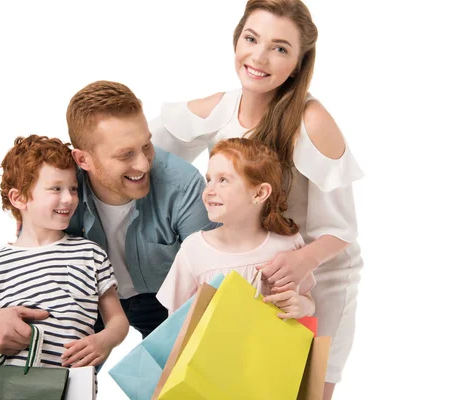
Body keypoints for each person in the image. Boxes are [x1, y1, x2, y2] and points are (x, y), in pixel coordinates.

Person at [149, 1, 364, 397]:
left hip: (317, 273)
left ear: (299, 64)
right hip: (250, 270)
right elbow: (145, 148)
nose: (259, 56)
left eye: (280, 48)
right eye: (251, 38)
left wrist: (302, 261)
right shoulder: (222, 107)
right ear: (237, 41)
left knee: (304, 390)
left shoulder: (310, 121)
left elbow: (342, 230)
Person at [0, 81, 216, 359]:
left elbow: (211, 279)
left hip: (165, 298)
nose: (143, 163)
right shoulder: (60, 193)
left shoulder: (183, 186)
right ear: (82, 160)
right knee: (59, 372)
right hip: (88, 299)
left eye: (146, 145)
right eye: (125, 154)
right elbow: (29, 265)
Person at [0, 135, 129, 369]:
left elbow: (118, 320)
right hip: (10, 390)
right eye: (55, 189)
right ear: (19, 198)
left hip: (74, 386)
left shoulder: (90, 254)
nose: (68, 198)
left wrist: (104, 340)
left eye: (73, 188)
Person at [157, 138, 316, 321]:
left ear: (259, 193)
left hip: (273, 348)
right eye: (208, 180)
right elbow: (175, 322)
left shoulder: (288, 244)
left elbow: (309, 300)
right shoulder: (193, 250)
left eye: (223, 180)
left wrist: (302, 305)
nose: (209, 190)